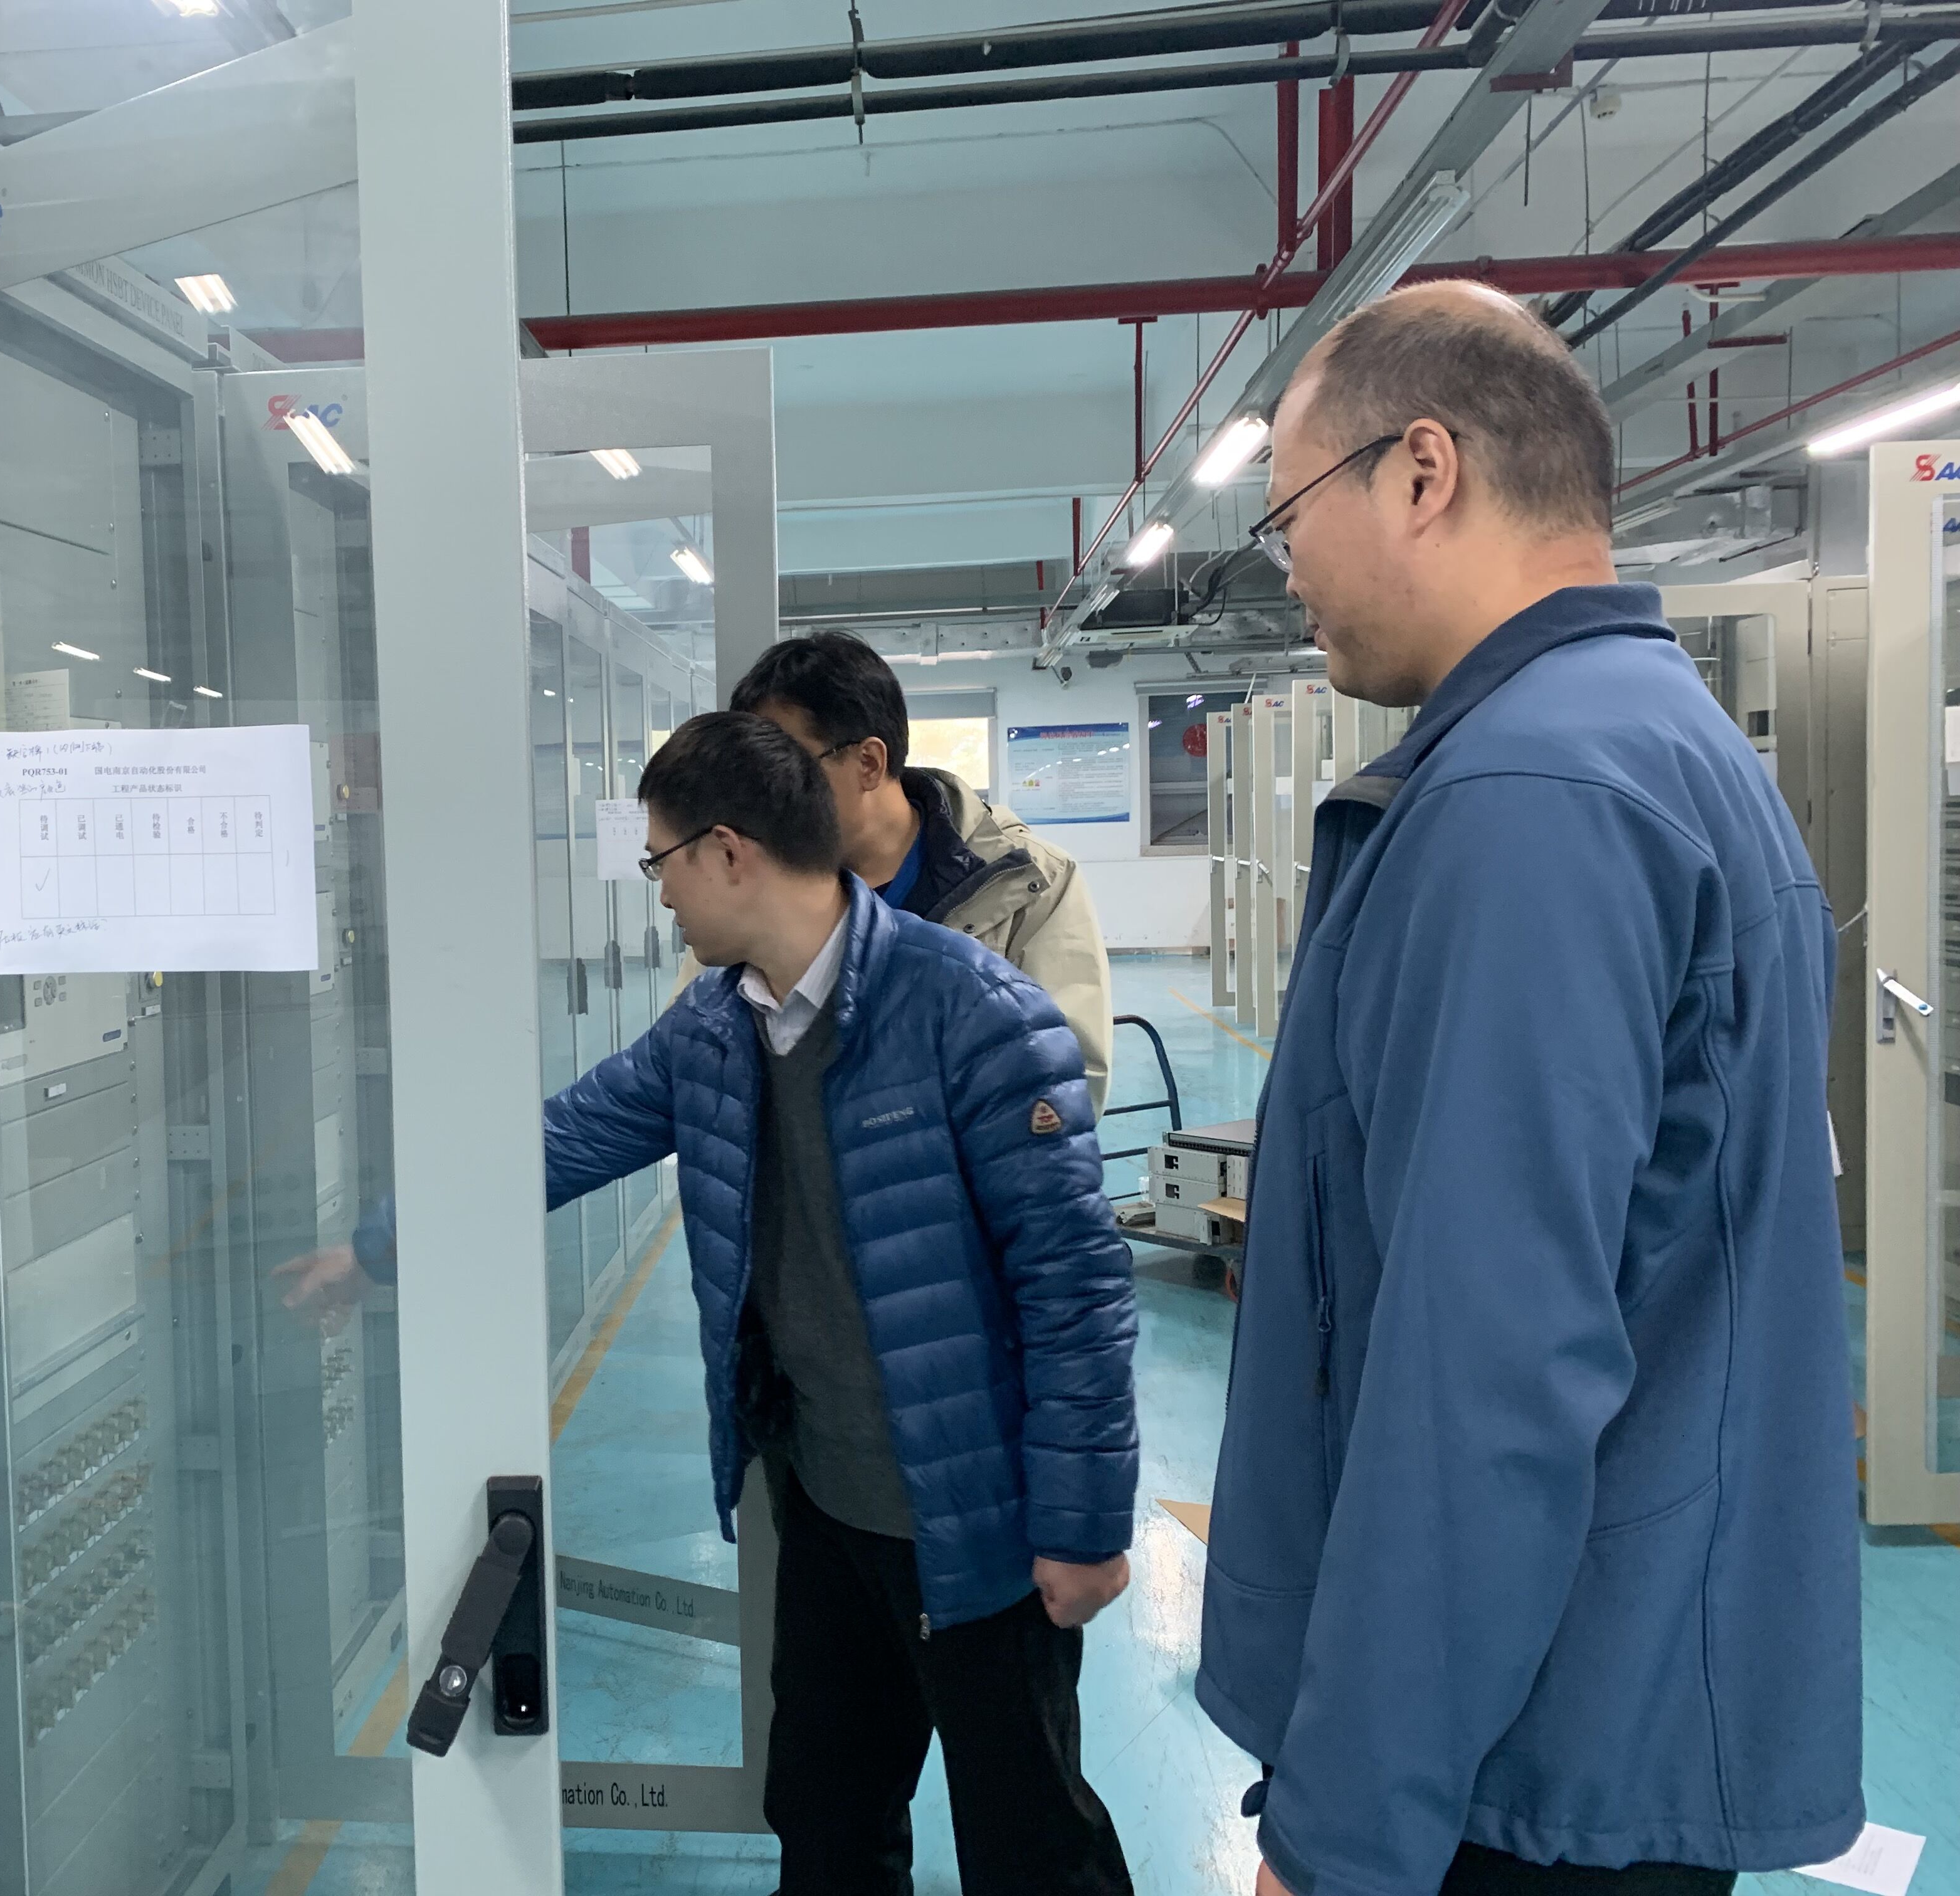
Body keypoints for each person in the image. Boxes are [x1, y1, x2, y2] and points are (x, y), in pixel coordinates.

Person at [1198, 280, 1862, 1896]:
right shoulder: (1657, 743)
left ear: (1423, 473)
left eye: (1290, 513)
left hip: (1527, 1766)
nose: (1289, 572)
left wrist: (1347, 1831)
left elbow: (1481, 1375)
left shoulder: (1530, 795)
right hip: (1616, 1696)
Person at [557, 710, 1138, 1896]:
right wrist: (382, 1236)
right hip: (825, 1504)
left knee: (1030, 1842)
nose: (657, 893)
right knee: (824, 1818)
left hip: (976, 1520)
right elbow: (573, 1132)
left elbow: (1074, 1284)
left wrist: (1085, 1525)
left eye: (660, 861)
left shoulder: (972, 1011)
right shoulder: (715, 1026)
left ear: (728, 852)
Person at [705, 628, 1116, 1112]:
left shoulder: (1030, 882)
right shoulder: (754, 882)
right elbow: (692, 1058)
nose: (763, 802)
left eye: (781, 773)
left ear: (868, 763)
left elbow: (1069, 1084)